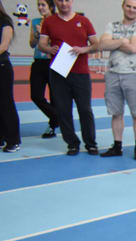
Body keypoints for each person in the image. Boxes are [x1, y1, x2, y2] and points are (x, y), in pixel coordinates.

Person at [38, 0, 100, 156]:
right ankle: (72, 143)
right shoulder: (49, 22)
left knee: (85, 109)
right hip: (58, 72)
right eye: (60, 0)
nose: (64, 4)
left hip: (81, 72)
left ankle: (91, 143)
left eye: (67, 0)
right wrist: (49, 49)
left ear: (71, 1)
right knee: (63, 109)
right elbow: (41, 44)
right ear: (55, 2)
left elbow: (96, 44)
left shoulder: (84, 21)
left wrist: (83, 49)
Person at [99, 0, 136, 160]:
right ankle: (117, 146)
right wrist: (122, 41)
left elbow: (133, 48)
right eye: (129, 6)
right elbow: (103, 44)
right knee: (116, 113)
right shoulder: (111, 25)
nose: (131, 10)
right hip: (113, 74)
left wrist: (113, 43)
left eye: (135, 7)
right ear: (123, 7)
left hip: (132, 74)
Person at [28, 0, 58, 140]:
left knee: (54, 97)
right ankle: (57, 117)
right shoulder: (35, 22)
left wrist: (44, 34)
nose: (40, 7)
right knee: (36, 95)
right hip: (38, 62)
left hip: (53, 62)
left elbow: (57, 43)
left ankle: (52, 126)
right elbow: (32, 44)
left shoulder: (57, 22)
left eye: (43, 5)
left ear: (50, 7)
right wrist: (37, 35)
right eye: (38, 5)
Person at [0, 1, 19, 153]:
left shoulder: (5, 22)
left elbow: (4, 46)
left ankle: (14, 140)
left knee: (6, 103)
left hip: (2, 67)